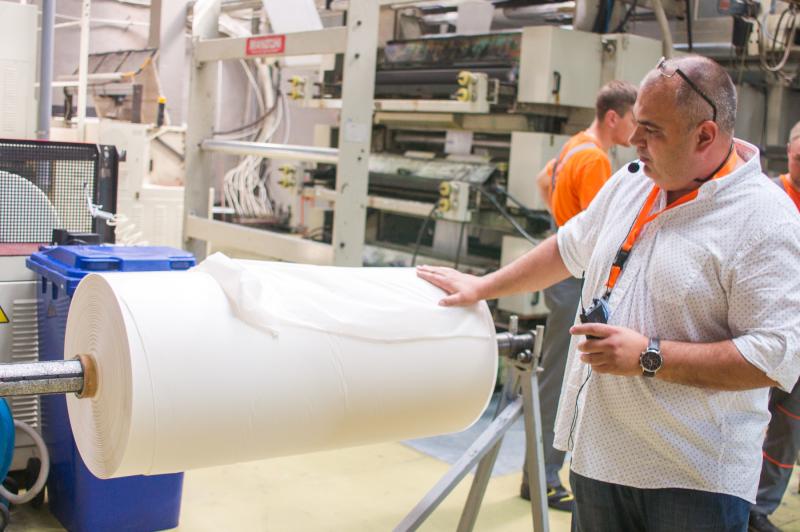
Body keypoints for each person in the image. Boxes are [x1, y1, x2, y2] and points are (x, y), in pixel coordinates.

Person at [418, 55, 800, 531]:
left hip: (690, 478)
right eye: (637, 123)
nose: (635, 140)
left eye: (652, 130)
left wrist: (650, 356)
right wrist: (484, 287)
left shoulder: (764, 219)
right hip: (600, 458)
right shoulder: (634, 182)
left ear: (705, 136)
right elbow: (568, 246)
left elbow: (774, 356)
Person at [522, 80, 638, 512]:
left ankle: (539, 474)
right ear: (614, 117)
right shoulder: (595, 159)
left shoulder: (575, 146)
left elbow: (543, 180)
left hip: (564, 275)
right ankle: (543, 478)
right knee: (560, 377)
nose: (637, 130)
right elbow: (607, 229)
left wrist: (562, 217)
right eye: (634, 120)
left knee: (555, 372)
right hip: (576, 278)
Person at [748, 121, 800, 532]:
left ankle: (760, 508)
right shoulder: (768, 196)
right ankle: (739, 498)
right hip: (764, 326)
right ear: (789, 151)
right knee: (749, 416)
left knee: (790, 424)